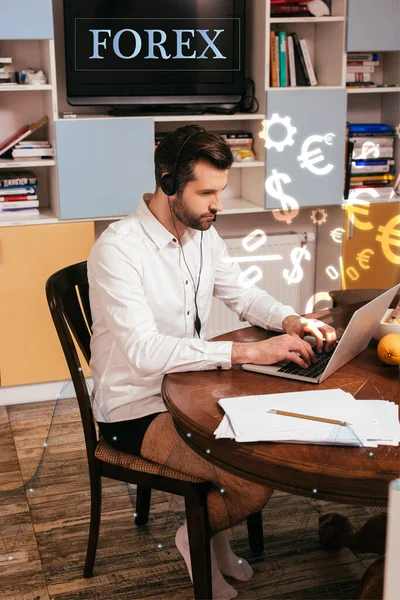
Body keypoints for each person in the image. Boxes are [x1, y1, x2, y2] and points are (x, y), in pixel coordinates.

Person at [87, 124, 337, 599]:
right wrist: (247, 352)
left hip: (190, 389)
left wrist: (289, 319)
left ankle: (217, 545)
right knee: (251, 481)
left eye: (220, 191)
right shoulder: (118, 250)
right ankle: (192, 536)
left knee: (258, 451)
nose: (217, 205)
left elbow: (240, 293)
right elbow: (142, 351)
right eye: (206, 192)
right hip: (135, 408)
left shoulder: (201, 233)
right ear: (167, 183)